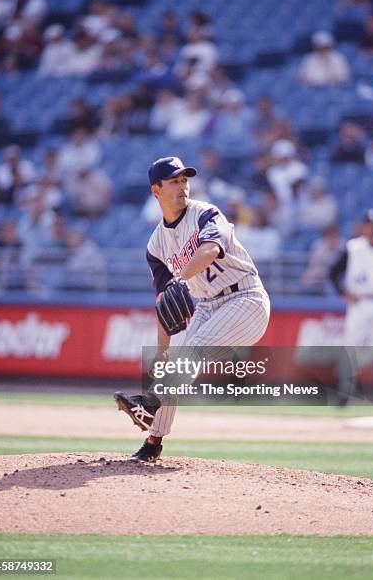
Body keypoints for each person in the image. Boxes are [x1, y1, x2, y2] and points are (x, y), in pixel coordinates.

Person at [113, 156, 270, 461]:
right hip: (210, 307)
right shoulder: (156, 246)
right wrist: (161, 354)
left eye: (185, 179)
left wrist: (181, 279)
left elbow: (210, 250)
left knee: (191, 352)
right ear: (156, 190)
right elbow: (164, 302)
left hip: (246, 299)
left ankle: (148, 404)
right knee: (175, 365)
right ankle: (153, 442)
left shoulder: (206, 213)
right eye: (174, 181)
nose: (183, 186)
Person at [329, 210, 373, 404]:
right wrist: (343, 293)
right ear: (363, 227)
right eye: (369, 225)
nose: (372, 229)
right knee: (350, 349)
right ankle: (344, 395)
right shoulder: (352, 248)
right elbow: (333, 272)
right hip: (359, 303)